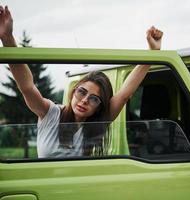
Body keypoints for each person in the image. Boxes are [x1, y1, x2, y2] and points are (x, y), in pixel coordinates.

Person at [0, 6, 163, 157]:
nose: (85, 100)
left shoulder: (95, 125)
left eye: (94, 99)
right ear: (73, 91)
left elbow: (125, 94)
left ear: (99, 106)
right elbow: (27, 87)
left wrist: (153, 53)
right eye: (82, 92)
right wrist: (7, 38)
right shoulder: (50, 113)